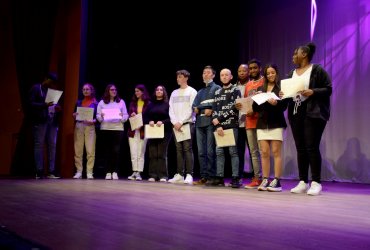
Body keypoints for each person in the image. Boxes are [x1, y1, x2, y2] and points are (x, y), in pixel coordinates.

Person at [281, 42, 332, 196]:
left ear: (304, 54)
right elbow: (288, 94)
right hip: (296, 113)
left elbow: (328, 89)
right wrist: (283, 95)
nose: (292, 57)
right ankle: (303, 181)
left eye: (295, 54)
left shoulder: (317, 70)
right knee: (301, 148)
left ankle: (316, 182)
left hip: (313, 113)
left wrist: (313, 91)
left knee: (311, 147)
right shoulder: (291, 73)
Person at [252, 64, 288, 192]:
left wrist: (276, 103)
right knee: (265, 153)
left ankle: (277, 181)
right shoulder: (261, 88)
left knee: (276, 152)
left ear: (276, 73)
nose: (270, 75)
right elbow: (255, 109)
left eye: (272, 72)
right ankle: (266, 179)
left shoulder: (281, 88)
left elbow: (284, 106)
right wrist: (256, 98)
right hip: (262, 124)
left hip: (276, 123)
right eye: (268, 73)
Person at [207, 68, 241, 188]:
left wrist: (219, 120)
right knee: (219, 151)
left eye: (227, 75)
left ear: (231, 77)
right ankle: (220, 177)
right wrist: (218, 125)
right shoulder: (217, 91)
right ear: (220, 77)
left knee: (233, 152)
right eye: (222, 75)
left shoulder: (235, 90)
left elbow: (234, 108)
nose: (224, 77)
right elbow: (214, 109)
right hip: (220, 127)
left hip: (231, 124)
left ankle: (235, 177)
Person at [29, 72, 62, 179]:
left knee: (52, 145)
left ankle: (51, 171)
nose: (52, 84)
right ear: (45, 79)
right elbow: (30, 103)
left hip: (52, 121)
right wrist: (44, 105)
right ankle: (39, 171)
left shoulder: (51, 91)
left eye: (53, 82)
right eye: (50, 81)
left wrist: (58, 108)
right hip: (40, 120)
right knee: (39, 144)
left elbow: (55, 104)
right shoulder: (36, 88)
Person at [192, 65, 221, 185]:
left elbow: (218, 104)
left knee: (210, 151)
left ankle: (211, 176)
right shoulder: (200, 91)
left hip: (210, 123)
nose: (205, 75)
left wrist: (211, 110)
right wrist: (200, 108)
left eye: (208, 73)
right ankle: (203, 176)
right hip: (199, 123)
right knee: (201, 152)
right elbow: (195, 106)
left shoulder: (217, 88)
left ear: (213, 75)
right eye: (204, 73)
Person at [168, 70, 197, 184]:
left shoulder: (192, 91)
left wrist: (181, 121)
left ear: (186, 78)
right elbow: (171, 109)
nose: (178, 79)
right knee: (178, 150)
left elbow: (191, 109)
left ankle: (189, 174)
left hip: (187, 124)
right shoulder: (174, 92)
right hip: (176, 126)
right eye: (177, 77)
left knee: (187, 149)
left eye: (180, 77)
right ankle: (179, 174)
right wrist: (175, 122)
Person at [96, 83, 128, 180]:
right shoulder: (102, 103)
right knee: (107, 151)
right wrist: (100, 117)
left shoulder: (121, 102)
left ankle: (115, 171)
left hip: (118, 129)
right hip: (105, 128)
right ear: (108, 91)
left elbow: (126, 116)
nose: (114, 91)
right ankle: (107, 172)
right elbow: (97, 116)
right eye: (111, 90)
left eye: (115, 90)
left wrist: (121, 116)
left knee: (116, 151)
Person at [143, 85, 172, 182]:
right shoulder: (150, 105)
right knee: (152, 154)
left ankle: (163, 176)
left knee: (161, 154)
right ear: (155, 92)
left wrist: (162, 122)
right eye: (157, 90)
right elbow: (145, 117)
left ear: (164, 92)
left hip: (164, 132)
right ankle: (152, 175)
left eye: (161, 90)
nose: (159, 91)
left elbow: (171, 118)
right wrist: (149, 121)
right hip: (152, 131)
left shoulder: (167, 104)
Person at [244, 59, 263, 189]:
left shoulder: (264, 82)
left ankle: (265, 177)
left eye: (255, 68)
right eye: (250, 69)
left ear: (260, 69)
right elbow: (246, 102)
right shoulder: (248, 85)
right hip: (249, 122)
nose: (252, 70)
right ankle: (257, 177)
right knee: (254, 152)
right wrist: (241, 106)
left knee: (264, 151)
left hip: (262, 121)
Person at [72, 83, 98, 179]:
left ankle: (89, 172)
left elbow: (98, 118)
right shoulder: (78, 102)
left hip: (90, 126)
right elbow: (74, 114)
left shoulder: (95, 103)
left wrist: (93, 121)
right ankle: (79, 171)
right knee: (78, 149)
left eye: (87, 89)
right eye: (84, 89)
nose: (85, 91)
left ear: (91, 91)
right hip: (79, 125)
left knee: (90, 150)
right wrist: (74, 115)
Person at [127, 84, 151, 181]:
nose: (136, 93)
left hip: (143, 130)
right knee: (133, 152)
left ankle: (139, 172)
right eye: (135, 91)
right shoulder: (133, 103)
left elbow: (149, 116)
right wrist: (132, 114)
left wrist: (143, 121)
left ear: (143, 91)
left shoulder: (148, 103)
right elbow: (129, 115)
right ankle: (134, 171)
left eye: (138, 91)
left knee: (141, 152)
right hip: (133, 130)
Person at [234, 64, 251, 182]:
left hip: (251, 121)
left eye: (244, 70)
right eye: (239, 71)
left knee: (253, 151)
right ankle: (238, 176)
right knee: (238, 151)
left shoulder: (252, 85)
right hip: (238, 122)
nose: (241, 73)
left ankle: (257, 176)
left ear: (248, 72)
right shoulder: (234, 87)